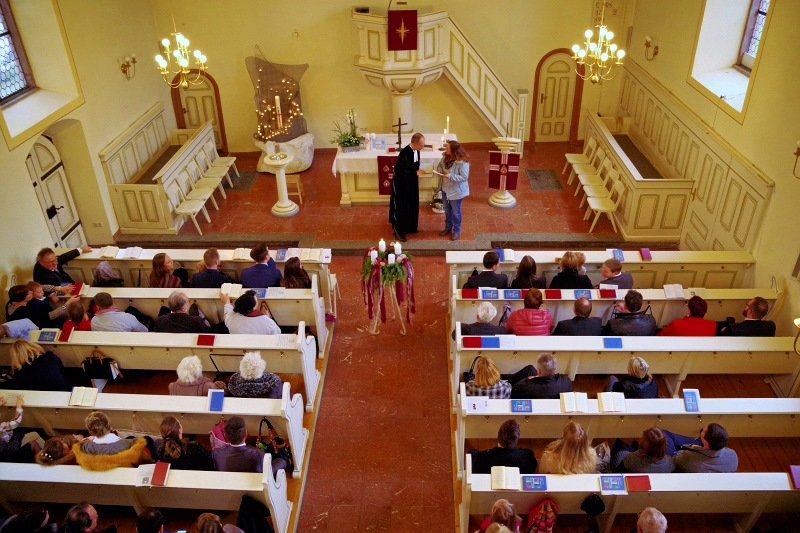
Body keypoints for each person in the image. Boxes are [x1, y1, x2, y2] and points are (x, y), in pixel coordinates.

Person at [73, 411, 150, 470]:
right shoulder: (130, 444)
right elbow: (146, 461)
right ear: (109, 426)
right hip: (124, 479)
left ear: (90, 432)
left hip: (96, 480)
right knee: (148, 439)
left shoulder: (84, 448)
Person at [389, 132, 425, 242]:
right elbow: (401, 171)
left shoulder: (417, 151)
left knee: (412, 204)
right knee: (402, 207)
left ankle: (410, 227)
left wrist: (417, 172)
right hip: (401, 185)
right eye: (422, 144)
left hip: (412, 183)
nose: (423, 146)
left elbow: (414, 166)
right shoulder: (404, 153)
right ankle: (399, 230)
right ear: (415, 143)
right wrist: (415, 173)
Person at [664, 422, 739, 473]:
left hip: (678, 460)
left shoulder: (688, 458)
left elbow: (675, 459)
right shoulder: (733, 455)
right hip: (701, 453)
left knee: (664, 435)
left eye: (704, 431)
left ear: (706, 442)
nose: (702, 430)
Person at [0, 340, 72, 392]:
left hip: (44, 399)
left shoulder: (21, 372)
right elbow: (62, 371)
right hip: (66, 390)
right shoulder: (50, 357)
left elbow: (15, 387)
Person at [470, 419, 537, 474]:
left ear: (498, 435)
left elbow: (472, 460)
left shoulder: (482, 458)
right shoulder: (527, 457)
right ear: (517, 439)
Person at [436, 139, 470, 241]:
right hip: (445, 188)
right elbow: (440, 166)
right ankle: (448, 227)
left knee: (456, 212)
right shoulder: (445, 157)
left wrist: (450, 176)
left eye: (447, 147)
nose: (445, 149)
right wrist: (439, 170)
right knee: (447, 210)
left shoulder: (462, 162)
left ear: (453, 150)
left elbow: (464, 177)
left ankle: (457, 230)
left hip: (456, 191)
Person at [610, 427, 675, 473]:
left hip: (631, 472)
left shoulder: (633, 459)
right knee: (633, 445)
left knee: (620, 446)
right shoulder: (670, 463)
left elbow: (618, 470)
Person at [508, 353, 573, 399]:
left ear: (539, 371)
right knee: (530, 369)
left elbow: (514, 390)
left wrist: (527, 379)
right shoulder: (566, 381)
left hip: (530, 396)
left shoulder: (526, 386)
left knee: (529, 369)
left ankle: (504, 380)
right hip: (549, 398)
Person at [0, 395, 44, 463]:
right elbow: (16, 421)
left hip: (5, 443)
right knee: (34, 435)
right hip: (10, 446)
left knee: (33, 441)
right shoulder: (2, 426)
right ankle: (49, 452)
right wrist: (19, 406)